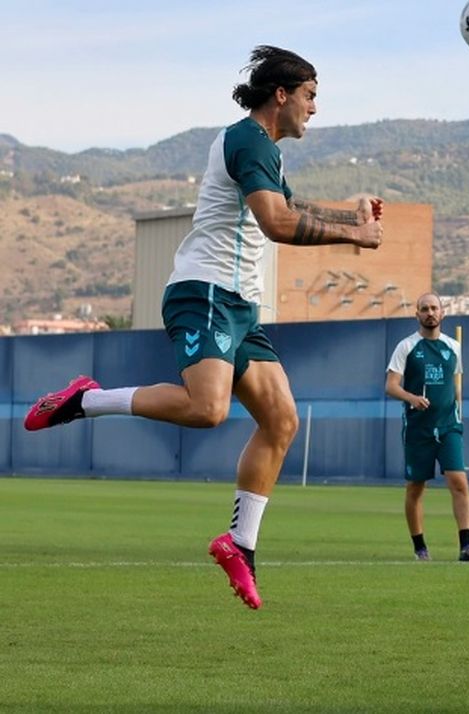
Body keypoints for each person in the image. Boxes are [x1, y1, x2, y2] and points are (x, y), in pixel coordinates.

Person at [23, 46, 382, 609]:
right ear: (281, 95)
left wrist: (350, 215)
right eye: (311, 96)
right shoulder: (245, 140)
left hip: (240, 305)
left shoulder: (265, 152)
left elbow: (290, 202)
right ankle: (84, 401)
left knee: (282, 420)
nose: (315, 108)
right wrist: (354, 236)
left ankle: (239, 544)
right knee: (208, 409)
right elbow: (279, 221)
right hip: (205, 292)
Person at [385, 293, 469, 563]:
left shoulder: (453, 346)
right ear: (417, 314)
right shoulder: (406, 346)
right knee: (415, 488)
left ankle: (466, 545)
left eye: (434, 308)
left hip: (448, 426)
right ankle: (420, 547)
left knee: (458, 481)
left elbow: (455, 386)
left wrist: (458, 413)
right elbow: (391, 385)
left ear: (443, 313)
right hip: (418, 429)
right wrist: (412, 398)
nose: (430, 313)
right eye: (424, 309)